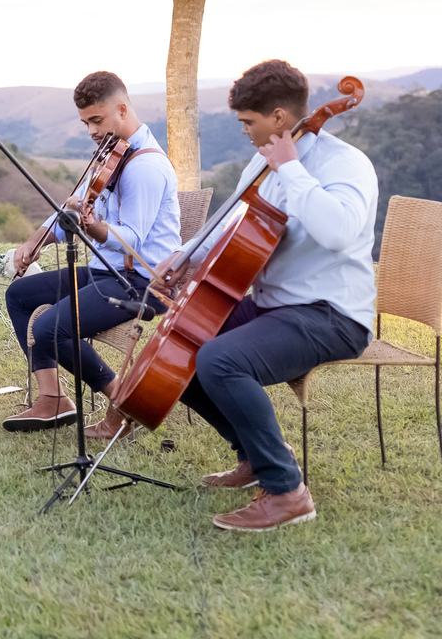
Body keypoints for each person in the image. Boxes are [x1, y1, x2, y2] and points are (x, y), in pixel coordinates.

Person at [161, 60, 376, 531]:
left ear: (279, 117)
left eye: (248, 122)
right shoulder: (262, 162)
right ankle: (256, 457)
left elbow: (339, 232)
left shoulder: (345, 164)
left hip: (333, 314)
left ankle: (287, 493)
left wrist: (292, 169)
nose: (244, 132)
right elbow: (231, 221)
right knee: (181, 343)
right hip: (275, 306)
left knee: (219, 359)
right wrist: (185, 256)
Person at [1, 71, 181, 434]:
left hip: (142, 282)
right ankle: (53, 399)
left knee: (50, 329)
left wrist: (91, 225)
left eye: (96, 120)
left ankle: (124, 403)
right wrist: (35, 241)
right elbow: (72, 208)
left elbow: (130, 239)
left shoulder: (145, 166)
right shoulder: (111, 154)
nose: (91, 131)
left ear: (122, 109)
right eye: (85, 123)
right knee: (19, 295)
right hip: (106, 273)